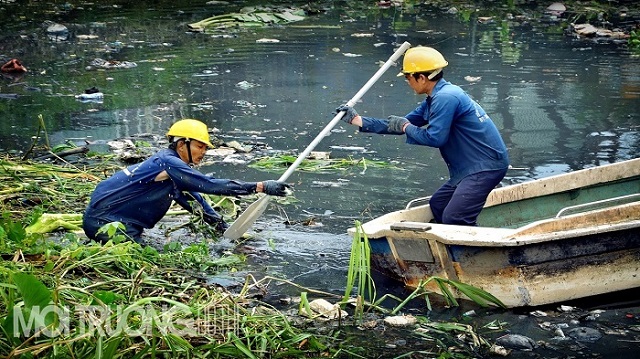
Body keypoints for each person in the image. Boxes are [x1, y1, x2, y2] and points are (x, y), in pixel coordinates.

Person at [337, 46, 509, 226]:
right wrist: (357, 120)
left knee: (455, 218)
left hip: (485, 167)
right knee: (439, 205)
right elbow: (402, 123)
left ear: (421, 77)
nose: (407, 81)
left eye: (408, 77)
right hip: (468, 168)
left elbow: (435, 138)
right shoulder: (435, 98)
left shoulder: (446, 98)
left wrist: (405, 127)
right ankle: (448, 248)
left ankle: (474, 251)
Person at [83, 118, 291, 243]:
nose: (203, 153)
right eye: (200, 147)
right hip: (104, 222)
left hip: (122, 223)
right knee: (153, 262)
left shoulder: (172, 170)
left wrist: (223, 229)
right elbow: (208, 185)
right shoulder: (167, 162)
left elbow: (194, 201)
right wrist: (260, 187)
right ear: (182, 144)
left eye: (205, 148)